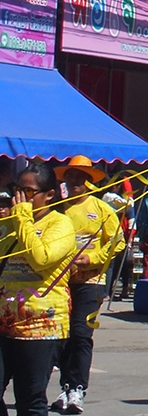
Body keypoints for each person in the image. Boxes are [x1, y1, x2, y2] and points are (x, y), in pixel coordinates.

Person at [0, 162, 75, 416]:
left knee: (29, 399)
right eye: (18, 190)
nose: (21, 197)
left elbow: (41, 258)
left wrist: (22, 218)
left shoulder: (61, 224)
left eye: (29, 192)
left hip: (40, 326)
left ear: (49, 194)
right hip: (5, 321)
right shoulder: (13, 221)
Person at [51, 157, 124, 414]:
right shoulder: (57, 209)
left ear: (89, 180)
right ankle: (65, 387)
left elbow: (117, 242)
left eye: (79, 177)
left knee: (82, 334)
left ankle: (78, 388)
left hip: (91, 282)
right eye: (70, 176)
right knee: (64, 336)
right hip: (61, 283)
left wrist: (92, 259)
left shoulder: (101, 208)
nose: (74, 181)